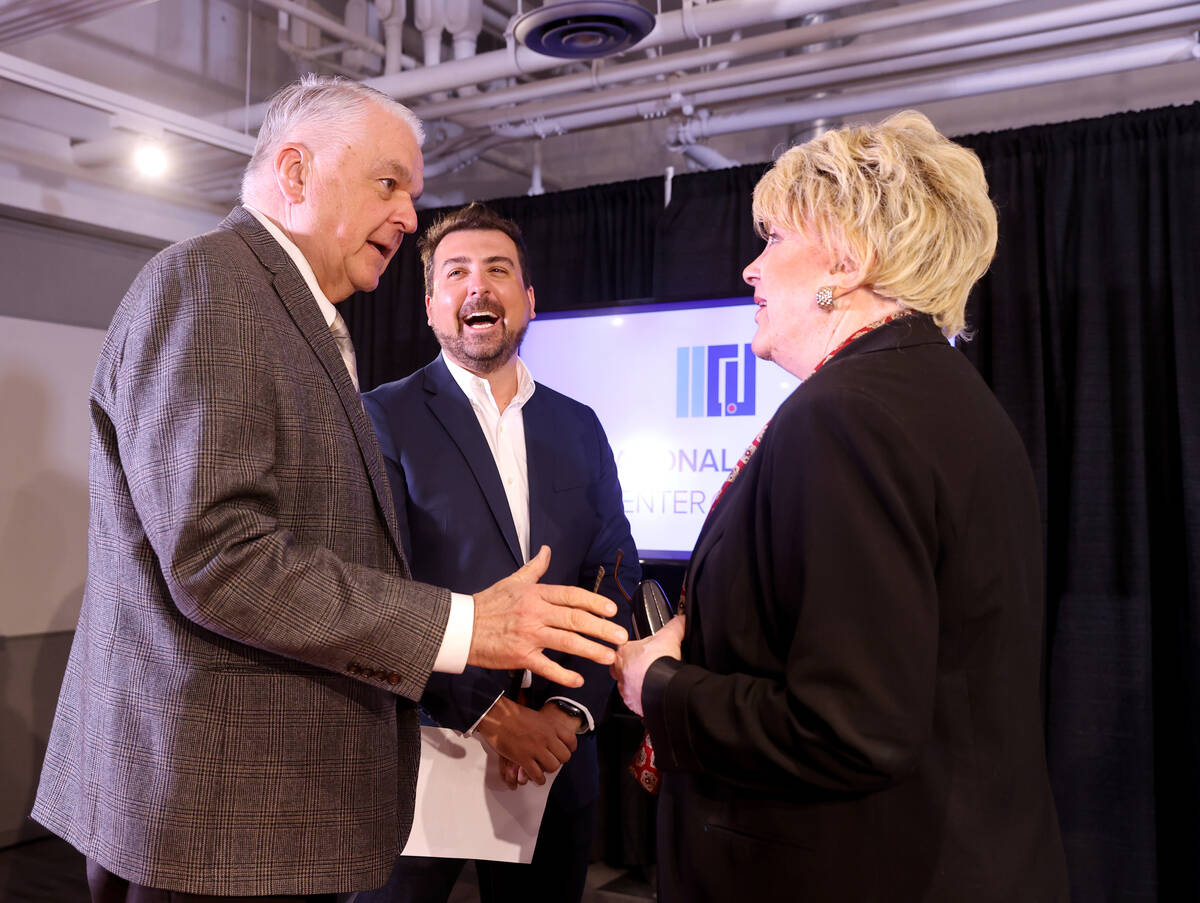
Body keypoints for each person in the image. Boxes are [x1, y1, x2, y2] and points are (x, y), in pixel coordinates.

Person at [31, 75, 626, 903]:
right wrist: (467, 624)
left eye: (413, 193)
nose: (410, 215)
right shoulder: (214, 289)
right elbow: (220, 559)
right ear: (297, 173)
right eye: (389, 183)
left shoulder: (288, 311)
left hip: (262, 813)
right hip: (220, 821)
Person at [612, 111, 1070, 902]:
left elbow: (847, 727)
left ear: (848, 262)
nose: (752, 270)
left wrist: (659, 683)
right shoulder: (943, 395)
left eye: (776, 242)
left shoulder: (847, 415)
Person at [359, 203, 639, 903]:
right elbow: (375, 584)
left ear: (529, 299)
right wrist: (494, 715)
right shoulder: (380, 416)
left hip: (555, 759)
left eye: (498, 270)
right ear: (431, 306)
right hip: (426, 746)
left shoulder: (580, 424)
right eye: (456, 272)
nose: (477, 286)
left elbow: (613, 571)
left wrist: (564, 716)